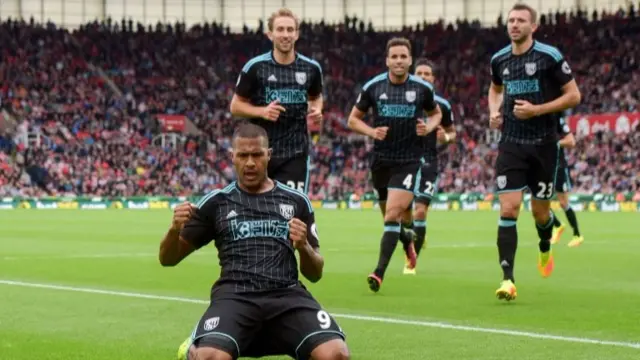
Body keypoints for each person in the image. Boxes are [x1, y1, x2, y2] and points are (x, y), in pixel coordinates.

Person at [159, 123, 349, 360]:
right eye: (243, 155)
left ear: (268, 155)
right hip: (236, 296)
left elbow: (315, 273)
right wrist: (173, 229)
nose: (250, 162)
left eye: (257, 154)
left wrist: (304, 247)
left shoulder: (297, 201)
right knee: (210, 357)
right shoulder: (217, 202)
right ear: (232, 157)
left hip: (287, 296)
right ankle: (197, 346)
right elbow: (167, 259)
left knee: (336, 354)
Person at [488, 3, 581, 301]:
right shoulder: (499, 59)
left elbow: (574, 95)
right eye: (511, 20)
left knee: (541, 213)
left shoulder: (549, 56)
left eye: (521, 21)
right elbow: (495, 88)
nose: (514, 25)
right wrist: (494, 110)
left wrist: (537, 110)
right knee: (508, 209)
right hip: (511, 143)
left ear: (533, 26)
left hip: (543, 144)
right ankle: (508, 280)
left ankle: (545, 244)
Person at [347, 37, 442, 292]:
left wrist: (429, 127)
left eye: (403, 57)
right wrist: (371, 131)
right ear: (387, 60)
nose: (399, 61)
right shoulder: (373, 87)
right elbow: (353, 119)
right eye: (394, 57)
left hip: (409, 161)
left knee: (392, 215)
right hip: (381, 161)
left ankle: (378, 273)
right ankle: (408, 241)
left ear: (410, 60)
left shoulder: (422, 88)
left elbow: (436, 114)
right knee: (390, 220)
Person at [230, 8, 323, 194]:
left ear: (297, 34)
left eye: (290, 30)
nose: (285, 34)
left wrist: (317, 109)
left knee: (291, 211)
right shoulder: (255, 67)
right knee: (257, 211)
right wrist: (262, 111)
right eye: (280, 29)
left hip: (295, 153)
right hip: (259, 152)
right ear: (270, 34)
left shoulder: (311, 68)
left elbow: (316, 96)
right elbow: (235, 106)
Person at [401, 58, 457, 275]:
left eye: (427, 74)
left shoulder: (442, 106)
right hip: (404, 162)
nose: (423, 77)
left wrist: (446, 137)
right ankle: (413, 240)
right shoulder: (402, 99)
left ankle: (411, 262)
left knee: (421, 211)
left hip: (428, 162)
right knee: (405, 215)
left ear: (433, 79)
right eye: (419, 73)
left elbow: (453, 133)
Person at [550, 117, 584, 247]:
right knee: (538, 201)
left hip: (558, 167)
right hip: (544, 167)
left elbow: (571, 141)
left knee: (563, 202)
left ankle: (577, 235)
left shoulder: (558, 120)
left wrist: (555, 143)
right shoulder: (538, 120)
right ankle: (557, 225)